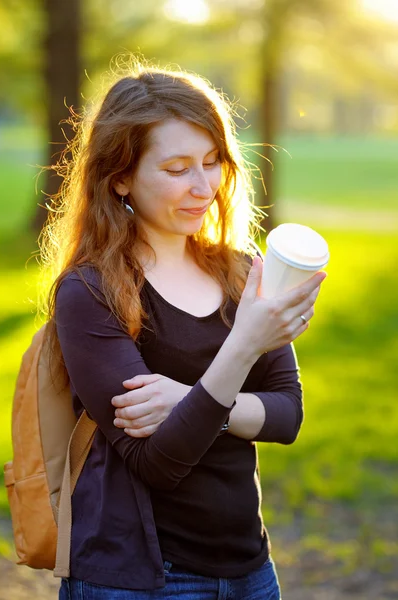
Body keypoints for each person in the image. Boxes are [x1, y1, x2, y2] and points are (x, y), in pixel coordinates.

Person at [41, 59, 326, 600]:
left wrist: (185, 399)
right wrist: (243, 347)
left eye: (212, 161)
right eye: (176, 169)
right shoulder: (89, 292)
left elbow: (287, 414)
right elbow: (158, 462)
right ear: (120, 175)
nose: (203, 187)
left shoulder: (241, 269)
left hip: (250, 569)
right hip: (142, 579)